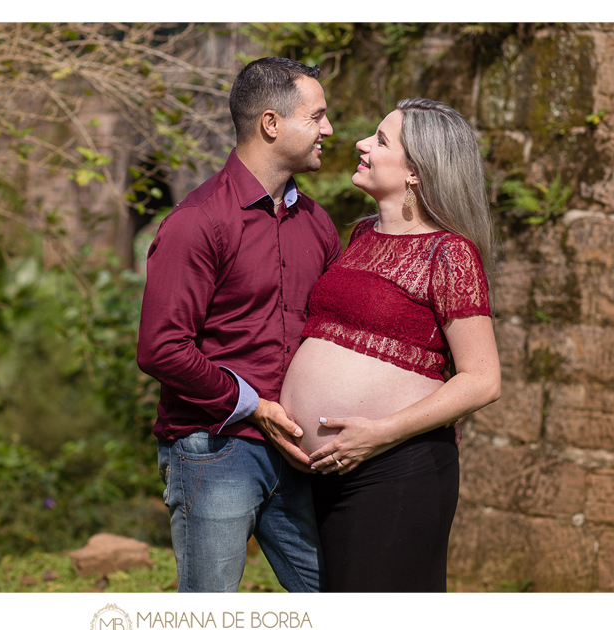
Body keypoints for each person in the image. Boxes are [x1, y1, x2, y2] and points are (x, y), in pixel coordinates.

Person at [279, 98, 502, 592]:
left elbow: (483, 380)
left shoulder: (450, 253)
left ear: (417, 173)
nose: (360, 143)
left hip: (397, 468)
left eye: (381, 141)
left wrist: (380, 432)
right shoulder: (359, 234)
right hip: (324, 472)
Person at [136, 57, 340, 592]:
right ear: (271, 124)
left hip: (297, 451)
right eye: (317, 116)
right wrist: (254, 405)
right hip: (215, 448)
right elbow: (161, 348)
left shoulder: (317, 224)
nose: (329, 129)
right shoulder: (197, 222)